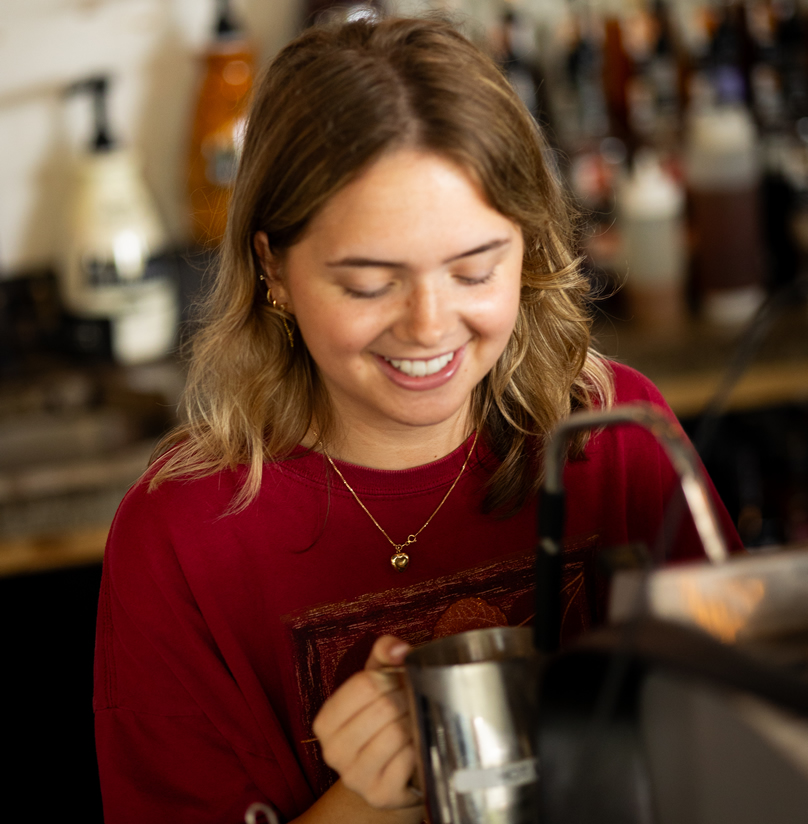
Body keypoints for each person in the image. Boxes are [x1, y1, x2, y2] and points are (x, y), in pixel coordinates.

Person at [93, 15, 742, 824]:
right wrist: (361, 805)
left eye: (476, 269)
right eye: (368, 285)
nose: (431, 327)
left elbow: (746, 756)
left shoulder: (615, 436)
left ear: (529, 249)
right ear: (273, 270)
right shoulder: (179, 540)